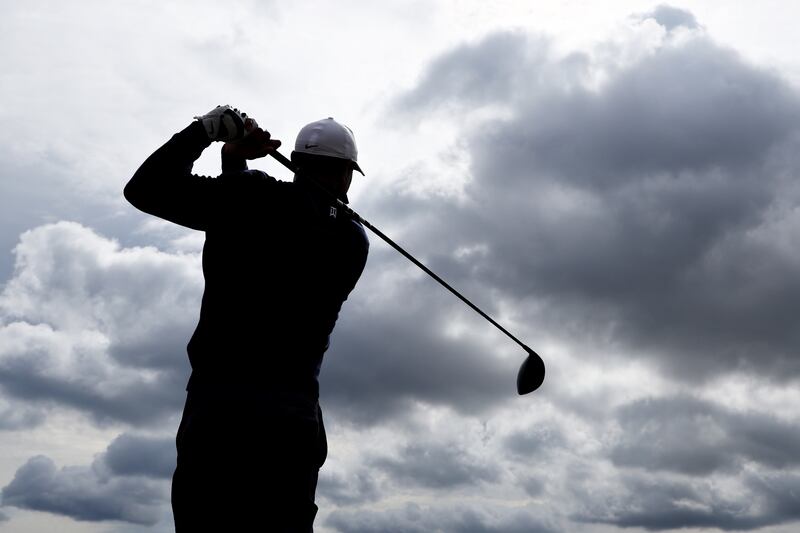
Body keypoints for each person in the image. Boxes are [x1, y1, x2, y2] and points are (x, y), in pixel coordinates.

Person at [124, 105, 369, 532]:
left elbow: (145, 190)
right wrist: (234, 164)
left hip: (220, 409)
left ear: (295, 162)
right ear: (348, 174)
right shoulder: (353, 240)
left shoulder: (245, 197)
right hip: (293, 420)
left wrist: (206, 134)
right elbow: (281, 216)